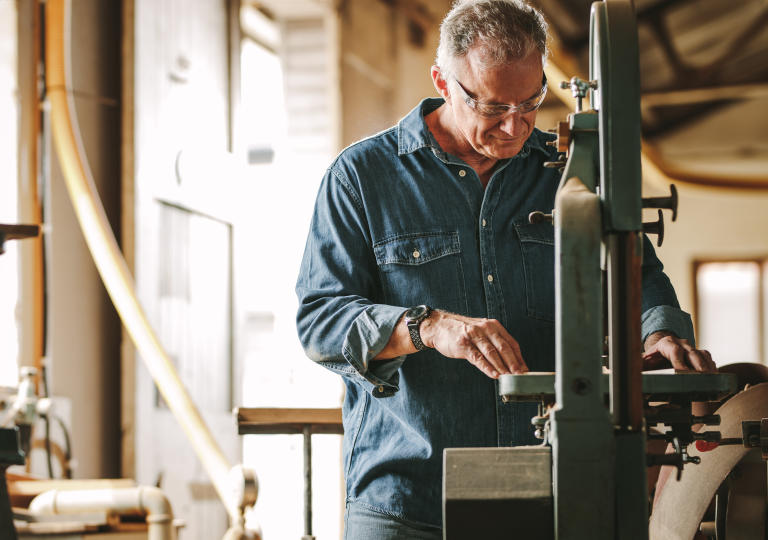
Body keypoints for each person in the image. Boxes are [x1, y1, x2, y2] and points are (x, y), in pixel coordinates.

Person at [294, 0, 714, 538]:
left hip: (554, 489)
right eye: (493, 107)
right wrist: (428, 327)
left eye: (531, 100)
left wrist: (660, 328)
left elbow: (638, 277)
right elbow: (320, 321)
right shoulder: (362, 176)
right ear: (442, 81)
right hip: (408, 502)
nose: (515, 125)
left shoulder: (568, 174)